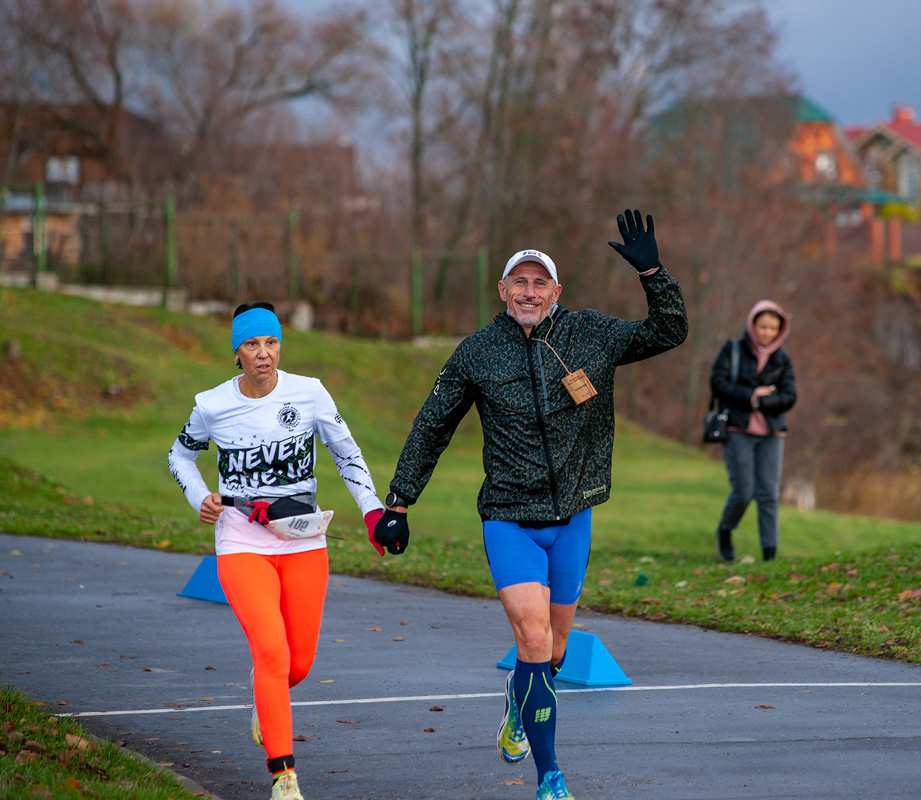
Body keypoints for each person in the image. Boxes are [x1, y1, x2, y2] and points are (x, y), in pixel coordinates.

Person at [372, 209, 687, 800]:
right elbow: (431, 426)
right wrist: (399, 502)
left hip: (573, 518)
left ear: (556, 293)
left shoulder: (590, 334)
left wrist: (652, 272)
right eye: (520, 281)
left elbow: (668, 332)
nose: (529, 291)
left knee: (557, 651)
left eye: (540, 282)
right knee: (534, 641)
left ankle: (518, 709)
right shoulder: (476, 353)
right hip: (509, 518)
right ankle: (550, 776)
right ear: (502, 289)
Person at [167, 302, 387, 800]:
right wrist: (198, 495)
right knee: (271, 649)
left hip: (304, 537)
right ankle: (283, 776)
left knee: (298, 664)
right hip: (242, 540)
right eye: (251, 345)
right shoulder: (212, 404)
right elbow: (179, 454)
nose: (264, 354)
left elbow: (347, 452)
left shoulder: (309, 393)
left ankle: (265, 699)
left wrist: (372, 511)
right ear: (236, 354)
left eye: (271, 343)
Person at [709, 300, 796, 563]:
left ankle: (770, 554)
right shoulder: (733, 350)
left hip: (772, 434)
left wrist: (762, 402)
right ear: (752, 325)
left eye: (773, 328)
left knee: (769, 494)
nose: (767, 332)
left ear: (780, 330)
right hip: (738, 430)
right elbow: (718, 383)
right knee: (744, 491)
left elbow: (790, 396)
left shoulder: (783, 359)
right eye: (763, 326)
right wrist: (752, 396)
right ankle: (725, 531)